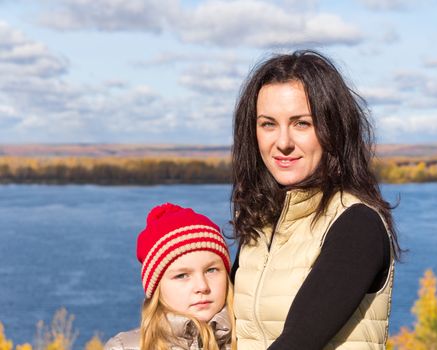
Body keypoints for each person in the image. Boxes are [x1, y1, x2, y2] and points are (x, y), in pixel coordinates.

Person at [230, 50, 402, 350]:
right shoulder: (261, 225)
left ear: (333, 129)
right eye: (268, 124)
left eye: (302, 124)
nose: (282, 142)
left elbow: (297, 342)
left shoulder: (356, 225)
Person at [104, 203, 236, 350]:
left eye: (211, 270)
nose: (202, 286)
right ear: (157, 288)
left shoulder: (252, 339)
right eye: (182, 275)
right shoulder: (126, 348)